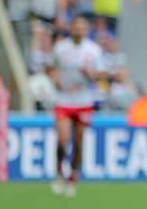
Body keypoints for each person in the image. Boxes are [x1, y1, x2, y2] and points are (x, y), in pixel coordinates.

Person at [50, 18, 103, 197]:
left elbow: (100, 74)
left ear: (87, 31)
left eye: (82, 28)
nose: (79, 31)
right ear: (71, 29)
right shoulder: (60, 48)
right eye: (76, 27)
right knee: (63, 140)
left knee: (79, 143)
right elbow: (50, 67)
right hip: (64, 100)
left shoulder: (93, 50)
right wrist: (54, 78)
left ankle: (72, 177)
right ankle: (59, 171)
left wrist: (91, 75)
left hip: (84, 102)